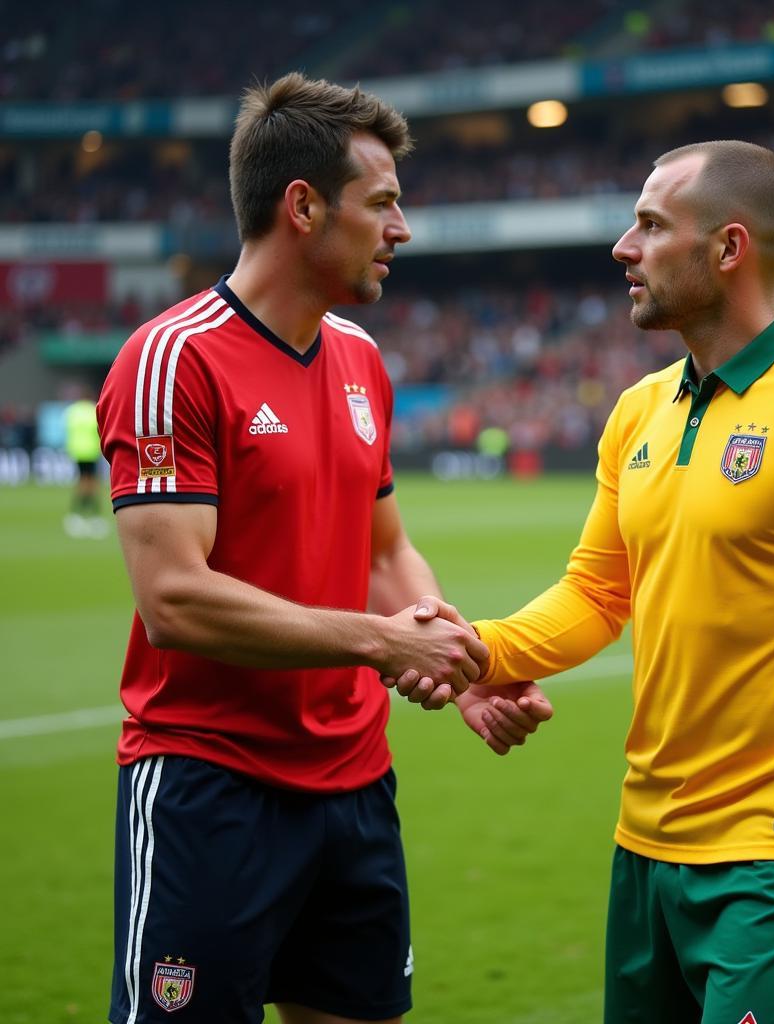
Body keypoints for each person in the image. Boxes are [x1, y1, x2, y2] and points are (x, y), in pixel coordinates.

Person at [436, 141, 774, 1023]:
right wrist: (472, 650)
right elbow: (598, 594)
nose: (622, 250)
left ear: (728, 249)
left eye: (648, 225)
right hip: (644, 848)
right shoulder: (639, 409)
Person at [96, 72, 544, 1024]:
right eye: (382, 203)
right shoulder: (172, 359)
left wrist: (463, 661)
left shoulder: (359, 358)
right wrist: (384, 644)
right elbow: (174, 599)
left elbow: (386, 550)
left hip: (354, 789)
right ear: (302, 206)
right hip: (210, 789)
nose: (403, 228)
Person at [63, 385, 109, 538]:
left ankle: (78, 515)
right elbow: (99, 429)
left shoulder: (72, 411)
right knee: (91, 482)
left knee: (82, 481)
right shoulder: (92, 410)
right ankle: (90, 514)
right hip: (90, 451)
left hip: (77, 451)